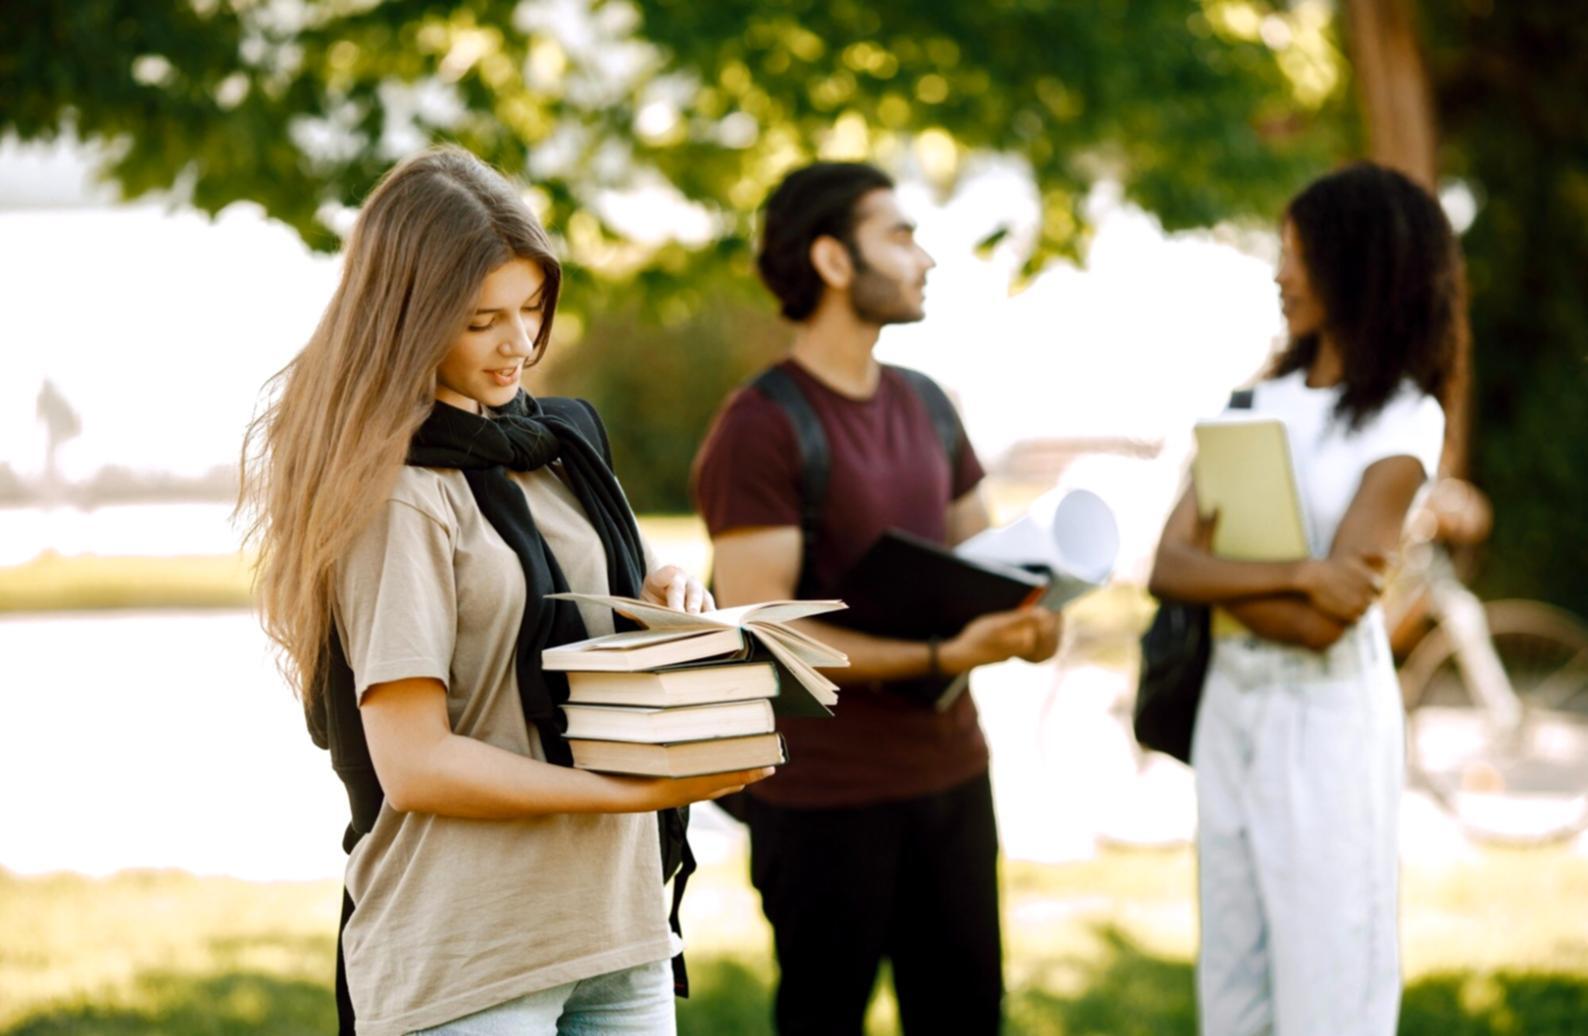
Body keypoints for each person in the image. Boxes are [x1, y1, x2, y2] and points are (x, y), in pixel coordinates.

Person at [239, 146, 770, 1035]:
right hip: (471, 953)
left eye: (531, 308)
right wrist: (628, 792)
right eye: (483, 319)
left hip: (618, 928)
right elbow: (416, 763)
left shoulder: (557, 447)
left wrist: (665, 588)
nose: (520, 342)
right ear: (408, 320)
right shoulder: (398, 492)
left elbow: (592, 590)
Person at [690, 161, 1061, 1035]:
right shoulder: (761, 427)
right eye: (899, 235)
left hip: (953, 779)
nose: (925, 258)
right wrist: (940, 655)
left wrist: (1027, 622)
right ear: (832, 260)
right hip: (825, 804)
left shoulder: (928, 404)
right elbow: (764, 640)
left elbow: (983, 569)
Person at [1148, 162, 1461, 1036]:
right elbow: (1166, 565)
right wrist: (1300, 573)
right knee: (1232, 971)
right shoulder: (1254, 401)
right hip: (1230, 707)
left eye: (1297, 253)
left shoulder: (1404, 417)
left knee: (1331, 977)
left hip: (1327, 722)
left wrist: (1232, 577)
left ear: (1358, 263)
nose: (1279, 274)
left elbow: (1323, 630)